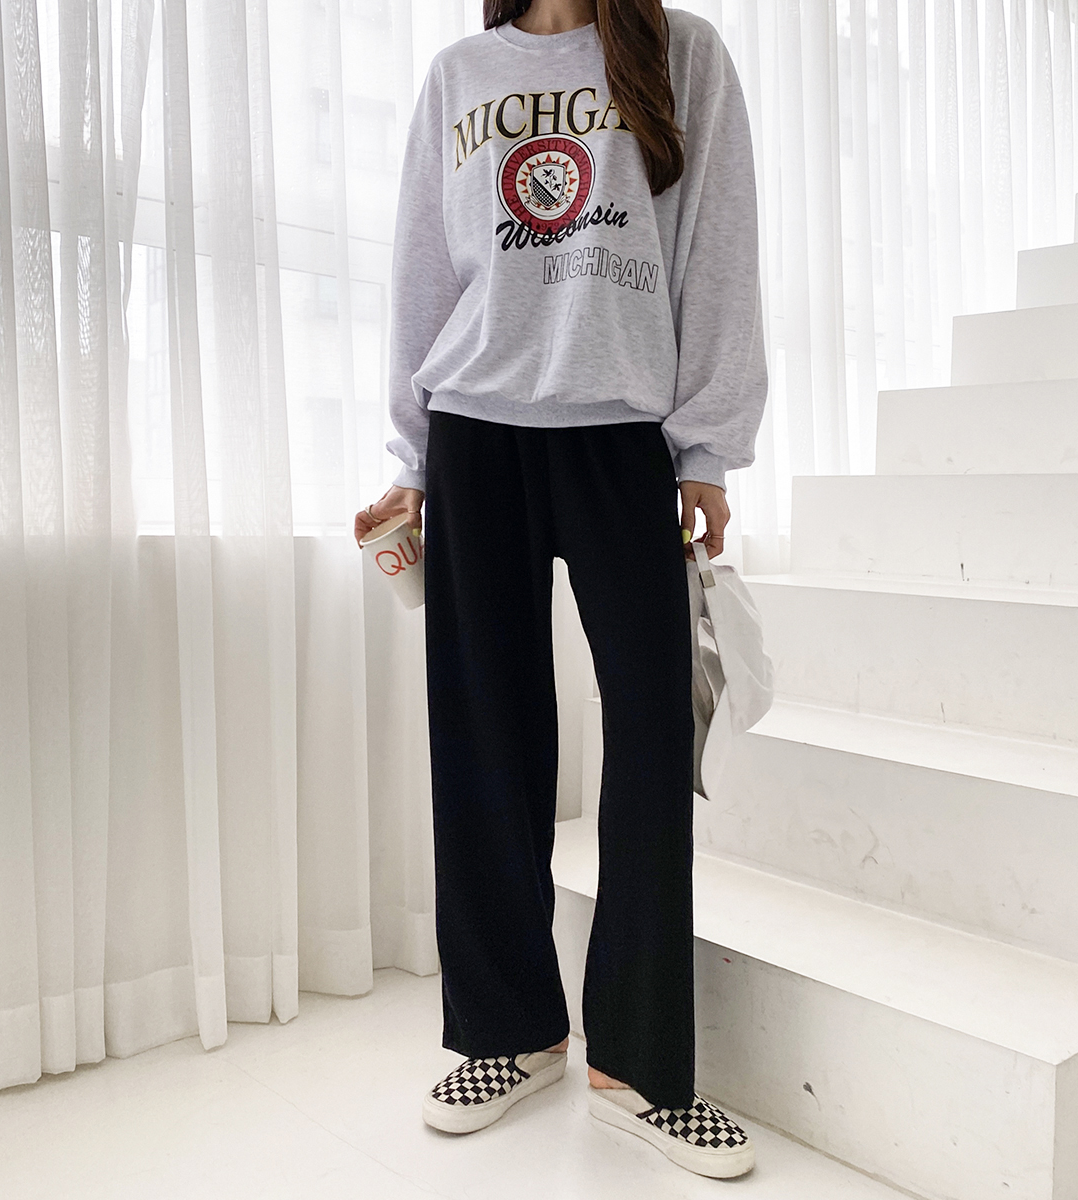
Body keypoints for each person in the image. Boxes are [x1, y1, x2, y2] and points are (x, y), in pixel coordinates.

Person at [354, 0, 767, 1179]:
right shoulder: (460, 73)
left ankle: (638, 1066)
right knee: (485, 740)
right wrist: (412, 461)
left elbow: (719, 248)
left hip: (621, 432)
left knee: (651, 738)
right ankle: (509, 1031)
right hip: (474, 430)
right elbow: (422, 271)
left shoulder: (682, 53)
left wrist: (707, 450)